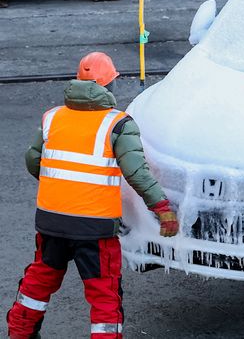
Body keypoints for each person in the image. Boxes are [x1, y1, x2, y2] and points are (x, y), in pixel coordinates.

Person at [7, 52, 178, 339]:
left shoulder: (52, 117)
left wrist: (62, 188)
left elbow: (33, 161)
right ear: (109, 85)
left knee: (39, 280)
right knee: (103, 294)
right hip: (95, 229)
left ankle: (20, 332)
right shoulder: (119, 124)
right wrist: (162, 208)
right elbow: (137, 173)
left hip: (52, 221)